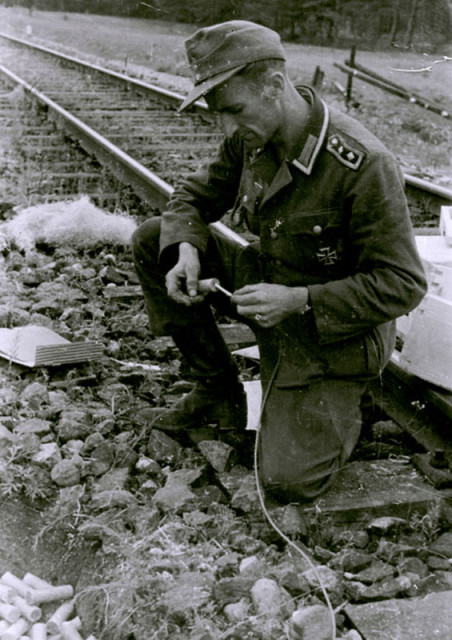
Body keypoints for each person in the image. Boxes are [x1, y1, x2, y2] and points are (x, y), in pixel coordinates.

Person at [132, 20, 427, 502]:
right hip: (266, 290)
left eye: (233, 111)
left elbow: (403, 283)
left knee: (287, 481)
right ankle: (217, 390)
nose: (227, 128)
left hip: (333, 335)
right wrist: (186, 247)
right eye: (219, 114)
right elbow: (191, 196)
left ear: (273, 86)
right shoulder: (252, 134)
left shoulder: (363, 163)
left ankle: (343, 406)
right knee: (153, 241)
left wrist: (300, 300)